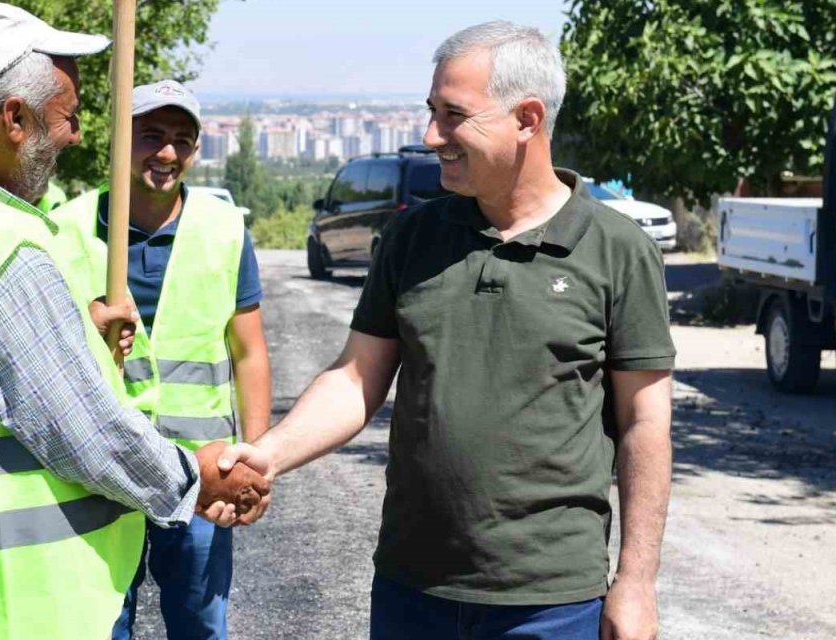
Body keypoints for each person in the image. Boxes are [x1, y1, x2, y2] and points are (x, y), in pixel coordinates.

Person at [221, 21, 675, 640]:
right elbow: (356, 379)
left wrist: (637, 581)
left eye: (454, 115)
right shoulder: (413, 237)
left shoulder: (617, 250)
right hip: (414, 592)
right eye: (431, 111)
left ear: (527, 119)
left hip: (550, 604)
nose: (432, 135)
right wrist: (267, 454)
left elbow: (645, 424)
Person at [0, 5, 268, 639]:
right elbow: (89, 435)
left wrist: (74, 332)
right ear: (14, 118)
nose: (73, 136)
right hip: (6, 605)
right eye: (65, 116)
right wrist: (194, 477)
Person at [52, 79, 271, 640]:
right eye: (151, 135)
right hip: (101, 471)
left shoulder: (223, 229)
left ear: (196, 150)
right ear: (119, 140)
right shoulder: (66, 228)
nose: (167, 152)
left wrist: (256, 457)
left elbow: (249, 352)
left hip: (200, 475)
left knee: (200, 625)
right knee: (101, 625)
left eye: (182, 139)